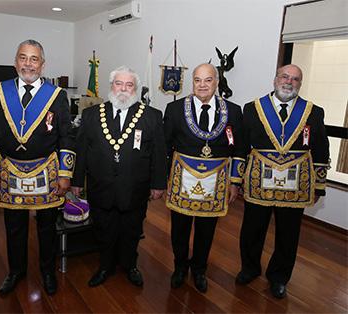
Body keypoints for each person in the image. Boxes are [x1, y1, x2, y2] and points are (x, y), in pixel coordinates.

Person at [0, 39, 75, 296]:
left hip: (47, 169)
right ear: (15, 62)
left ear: (42, 65)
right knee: (14, 226)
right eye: (23, 58)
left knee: (47, 227)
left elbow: (66, 135)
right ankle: (16, 272)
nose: (28, 64)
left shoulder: (57, 95)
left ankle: (47, 271)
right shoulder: (0, 91)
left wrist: (66, 175)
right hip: (9, 168)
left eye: (34, 59)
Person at [236, 64, 330, 299]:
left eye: (295, 79)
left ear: (300, 83)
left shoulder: (313, 112)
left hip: (295, 186)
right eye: (285, 77)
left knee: (288, 234)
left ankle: (279, 277)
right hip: (259, 182)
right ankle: (250, 268)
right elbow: (240, 147)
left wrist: (317, 185)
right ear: (275, 79)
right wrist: (236, 180)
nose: (289, 82)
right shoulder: (252, 109)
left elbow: (320, 149)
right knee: (252, 229)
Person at [71, 66, 167, 287]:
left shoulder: (152, 116)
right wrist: (77, 181)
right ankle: (105, 266)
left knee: (132, 229)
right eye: (118, 83)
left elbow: (159, 154)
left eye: (129, 84)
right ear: (111, 86)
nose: (123, 88)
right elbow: (82, 150)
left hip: (135, 188)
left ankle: (130, 265)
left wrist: (158, 183)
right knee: (103, 227)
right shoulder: (91, 115)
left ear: (136, 89)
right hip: (100, 186)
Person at [164, 63, 245, 293]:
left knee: (206, 230)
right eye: (197, 80)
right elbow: (166, 147)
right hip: (182, 182)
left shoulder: (234, 111)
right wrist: (165, 180)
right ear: (193, 82)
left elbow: (239, 150)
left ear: (216, 82)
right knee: (179, 228)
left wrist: (235, 182)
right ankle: (180, 267)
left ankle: (199, 269)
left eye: (208, 80)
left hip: (216, 184)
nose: (202, 85)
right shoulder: (175, 109)